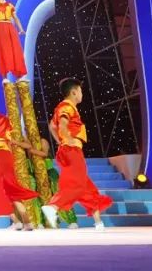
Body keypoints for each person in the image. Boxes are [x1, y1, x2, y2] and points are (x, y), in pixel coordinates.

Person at [40, 78, 112, 230]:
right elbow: (62, 125)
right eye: (80, 91)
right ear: (74, 92)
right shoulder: (67, 107)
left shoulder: (62, 107)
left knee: (86, 187)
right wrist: (67, 139)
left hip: (68, 149)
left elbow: (52, 126)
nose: (81, 94)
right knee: (77, 185)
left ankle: (98, 222)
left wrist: (60, 141)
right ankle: (53, 206)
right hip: (71, 150)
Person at [0, 93, 40, 230]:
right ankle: (27, 222)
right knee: (11, 187)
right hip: (6, 155)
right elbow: (8, 141)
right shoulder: (4, 118)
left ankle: (16, 221)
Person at [38, 138, 77, 228]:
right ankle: (43, 221)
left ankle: (72, 221)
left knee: (59, 196)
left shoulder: (42, 141)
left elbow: (45, 153)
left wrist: (32, 150)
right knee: (41, 198)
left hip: (50, 173)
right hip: (38, 175)